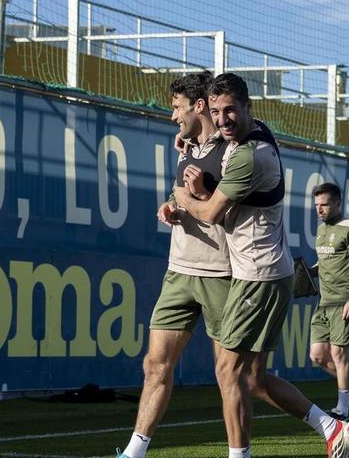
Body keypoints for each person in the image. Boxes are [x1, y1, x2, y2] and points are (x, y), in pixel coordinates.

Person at [174, 73, 349, 458]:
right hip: (271, 272)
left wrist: (181, 194)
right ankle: (332, 427)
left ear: (248, 108)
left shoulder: (247, 155)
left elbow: (208, 211)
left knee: (227, 372)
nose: (223, 120)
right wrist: (190, 145)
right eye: (218, 111)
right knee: (254, 378)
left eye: (231, 111)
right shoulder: (257, 133)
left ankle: (239, 455)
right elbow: (213, 160)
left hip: (257, 276)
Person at [117, 73, 232, 458]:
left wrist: (202, 194)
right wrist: (171, 205)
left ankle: (325, 423)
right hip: (180, 270)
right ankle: (135, 451)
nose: (171, 116)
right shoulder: (185, 149)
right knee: (155, 364)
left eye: (176, 107)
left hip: (222, 273)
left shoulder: (234, 148)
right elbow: (178, 195)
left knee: (236, 377)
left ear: (199, 106)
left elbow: (234, 207)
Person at [308, 182, 349, 420]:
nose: (319, 209)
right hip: (323, 302)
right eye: (316, 205)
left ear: (337, 203)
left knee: (339, 354)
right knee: (317, 355)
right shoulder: (322, 230)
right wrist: (308, 273)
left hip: (343, 301)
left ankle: (342, 408)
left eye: (324, 204)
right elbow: (323, 263)